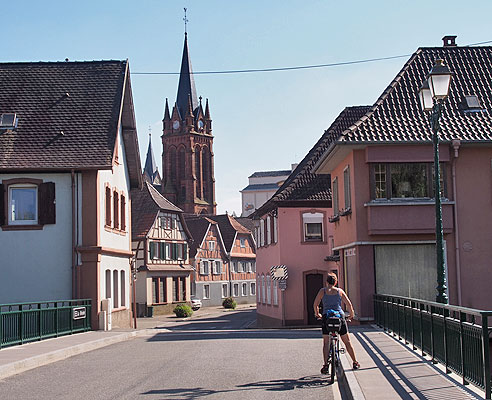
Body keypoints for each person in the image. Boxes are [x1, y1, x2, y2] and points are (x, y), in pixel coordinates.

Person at [313, 272, 360, 373]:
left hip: (327, 317)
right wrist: (351, 315)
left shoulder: (323, 291)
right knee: (347, 342)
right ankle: (355, 362)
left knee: (326, 343)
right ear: (336, 282)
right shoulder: (340, 291)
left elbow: (315, 304)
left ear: (326, 282)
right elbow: (349, 304)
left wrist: (318, 314)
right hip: (339, 317)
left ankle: (325, 365)